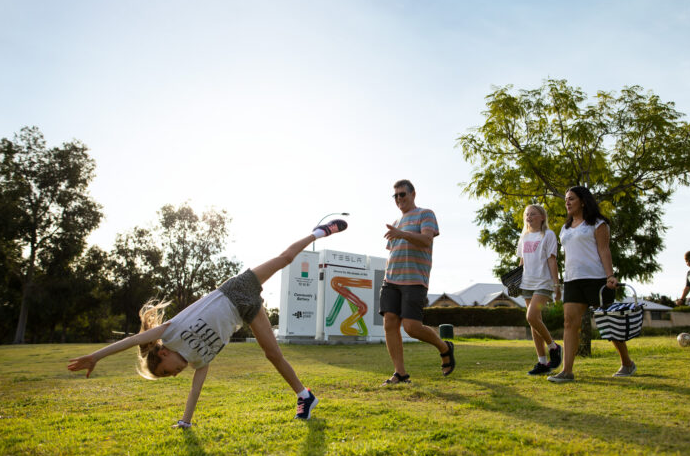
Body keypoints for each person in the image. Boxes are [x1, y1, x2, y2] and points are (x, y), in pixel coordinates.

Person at [67, 219, 348, 424]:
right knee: (273, 354)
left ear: (162, 353)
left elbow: (131, 341)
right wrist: (185, 421)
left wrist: (96, 356)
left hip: (236, 289)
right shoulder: (199, 361)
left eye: (165, 372)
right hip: (246, 312)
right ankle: (304, 395)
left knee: (286, 258)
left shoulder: (171, 332)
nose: (174, 374)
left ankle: (317, 232)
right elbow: (195, 390)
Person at [548, 186, 636, 383]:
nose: (567, 203)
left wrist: (610, 275)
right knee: (570, 323)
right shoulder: (565, 228)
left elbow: (604, 250)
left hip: (596, 279)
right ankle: (567, 371)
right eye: (566, 200)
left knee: (608, 324)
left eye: (571, 199)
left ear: (583, 201)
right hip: (572, 280)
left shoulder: (598, 223)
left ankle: (627, 363)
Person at [379, 179, 454, 385]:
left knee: (412, 327)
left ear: (413, 194)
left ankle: (445, 348)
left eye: (402, 194)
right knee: (390, 324)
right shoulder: (395, 223)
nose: (399, 199)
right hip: (391, 279)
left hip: (414, 280)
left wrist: (401, 234)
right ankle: (400, 374)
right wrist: (398, 234)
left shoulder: (425, 214)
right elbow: (393, 251)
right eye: (395, 196)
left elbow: (425, 240)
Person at [515, 204, 562, 375]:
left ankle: (554, 347)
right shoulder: (524, 237)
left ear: (542, 217)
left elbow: (552, 260)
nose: (529, 217)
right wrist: (516, 280)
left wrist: (556, 285)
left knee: (532, 316)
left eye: (533, 214)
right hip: (526, 283)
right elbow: (521, 263)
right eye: (527, 214)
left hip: (543, 282)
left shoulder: (548, 235)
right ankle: (542, 362)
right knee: (534, 322)